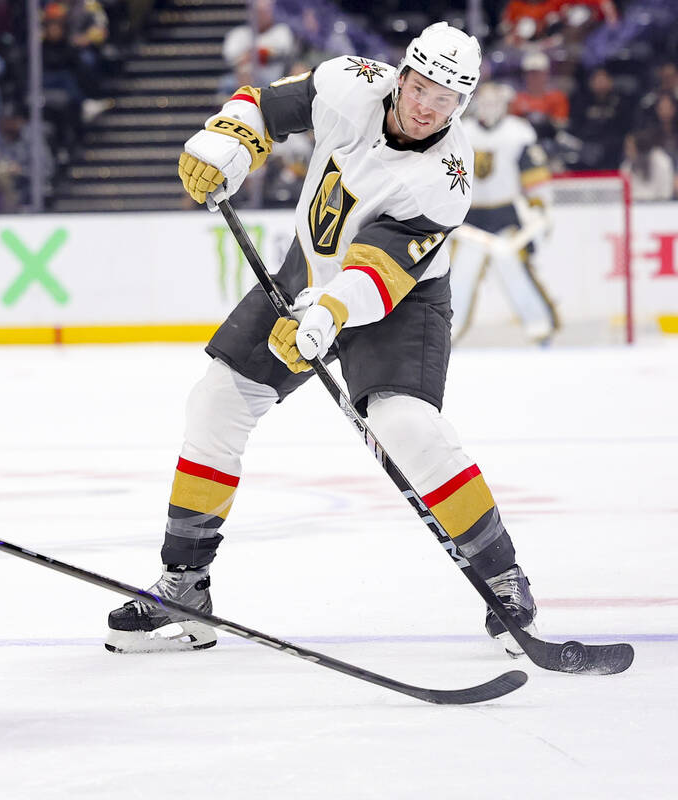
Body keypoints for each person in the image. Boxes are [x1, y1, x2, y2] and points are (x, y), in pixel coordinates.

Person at [105, 23, 541, 659]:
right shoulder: (347, 82)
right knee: (216, 404)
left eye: (445, 99)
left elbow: (379, 273)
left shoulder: (446, 177)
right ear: (401, 75)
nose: (425, 106)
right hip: (310, 269)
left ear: (462, 105)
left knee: (407, 425)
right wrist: (229, 140)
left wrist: (328, 314)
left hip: (400, 300)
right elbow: (262, 105)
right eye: (420, 87)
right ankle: (185, 588)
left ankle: (502, 578)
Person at [451, 82, 559, 344]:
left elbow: (534, 175)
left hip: (505, 215)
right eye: (484, 103)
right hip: (469, 219)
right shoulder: (463, 131)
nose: (489, 109)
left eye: (494, 102)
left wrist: (539, 208)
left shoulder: (518, 133)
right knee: (460, 276)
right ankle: (447, 332)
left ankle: (540, 327)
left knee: (516, 273)